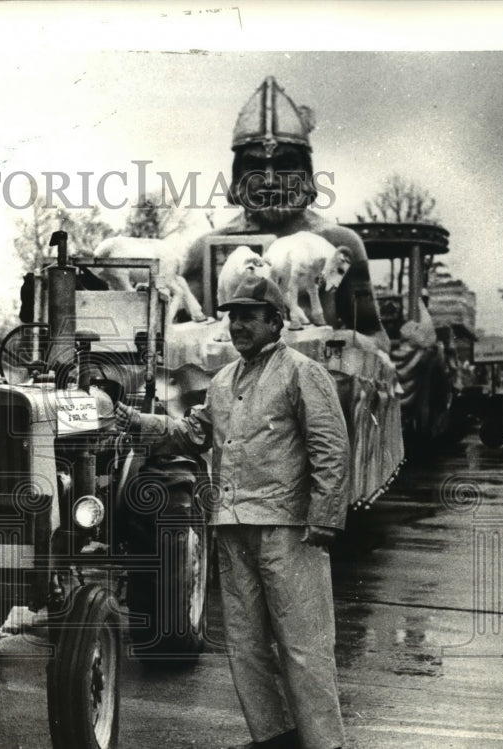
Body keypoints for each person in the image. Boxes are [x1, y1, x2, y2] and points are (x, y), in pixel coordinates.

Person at [115, 274, 351, 749]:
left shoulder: (303, 372)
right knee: (245, 644)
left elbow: (331, 449)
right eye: (233, 316)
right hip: (232, 526)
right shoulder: (223, 381)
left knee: (303, 642)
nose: (239, 325)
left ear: (276, 322)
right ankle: (274, 736)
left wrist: (325, 516)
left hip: (287, 527)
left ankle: (326, 743)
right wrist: (135, 420)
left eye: (250, 316)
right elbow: (190, 434)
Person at [180, 76, 388, 350]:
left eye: (284, 165)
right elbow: (176, 336)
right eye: (254, 166)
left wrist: (332, 345)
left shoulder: (341, 243)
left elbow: (376, 338)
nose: (269, 180)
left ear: (306, 172)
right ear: (237, 174)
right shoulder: (201, 250)